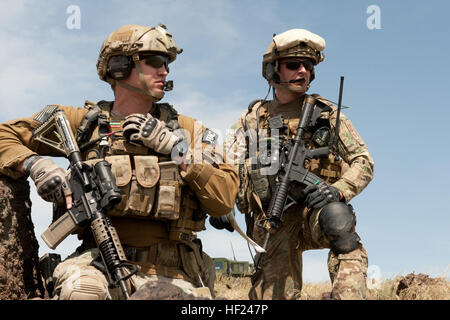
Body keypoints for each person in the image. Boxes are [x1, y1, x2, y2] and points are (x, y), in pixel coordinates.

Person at [0, 24, 238, 300]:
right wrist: (34, 165)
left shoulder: (188, 130)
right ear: (119, 66)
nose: (165, 71)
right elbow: (6, 135)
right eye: (156, 61)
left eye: (167, 64)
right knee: (82, 293)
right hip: (97, 261)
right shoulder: (82, 124)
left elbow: (225, 198)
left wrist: (177, 150)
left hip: (173, 271)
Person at [223, 29, 374, 300]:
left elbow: (363, 161)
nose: (302, 71)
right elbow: (228, 169)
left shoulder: (326, 114)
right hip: (272, 221)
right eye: (293, 64)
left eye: (308, 65)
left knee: (340, 222)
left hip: (315, 213)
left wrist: (339, 190)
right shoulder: (251, 120)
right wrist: (221, 204)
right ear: (273, 70)